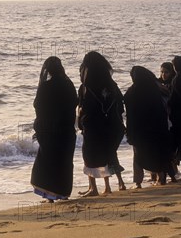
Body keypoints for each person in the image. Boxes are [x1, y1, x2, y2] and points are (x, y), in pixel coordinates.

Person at [77, 51, 126, 196]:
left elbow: (83, 107)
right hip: (111, 126)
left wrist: (81, 120)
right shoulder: (112, 85)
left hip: (93, 126)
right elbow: (120, 105)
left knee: (89, 155)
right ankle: (111, 186)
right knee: (108, 154)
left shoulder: (87, 87)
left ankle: (93, 188)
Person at [30, 57, 78, 202]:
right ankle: (63, 194)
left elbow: (38, 105)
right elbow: (74, 103)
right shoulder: (69, 84)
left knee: (48, 162)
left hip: (49, 131)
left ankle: (50, 197)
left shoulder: (45, 87)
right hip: (66, 131)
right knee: (64, 162)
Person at [124, 66, 176, 188]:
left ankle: (138, 183)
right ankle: (163, 177)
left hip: (140, 131)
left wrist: (129, 132)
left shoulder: (132, 92)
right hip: (158, 128)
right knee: (160, 154)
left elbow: (130, 113)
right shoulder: (156, 88)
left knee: (138, 156)